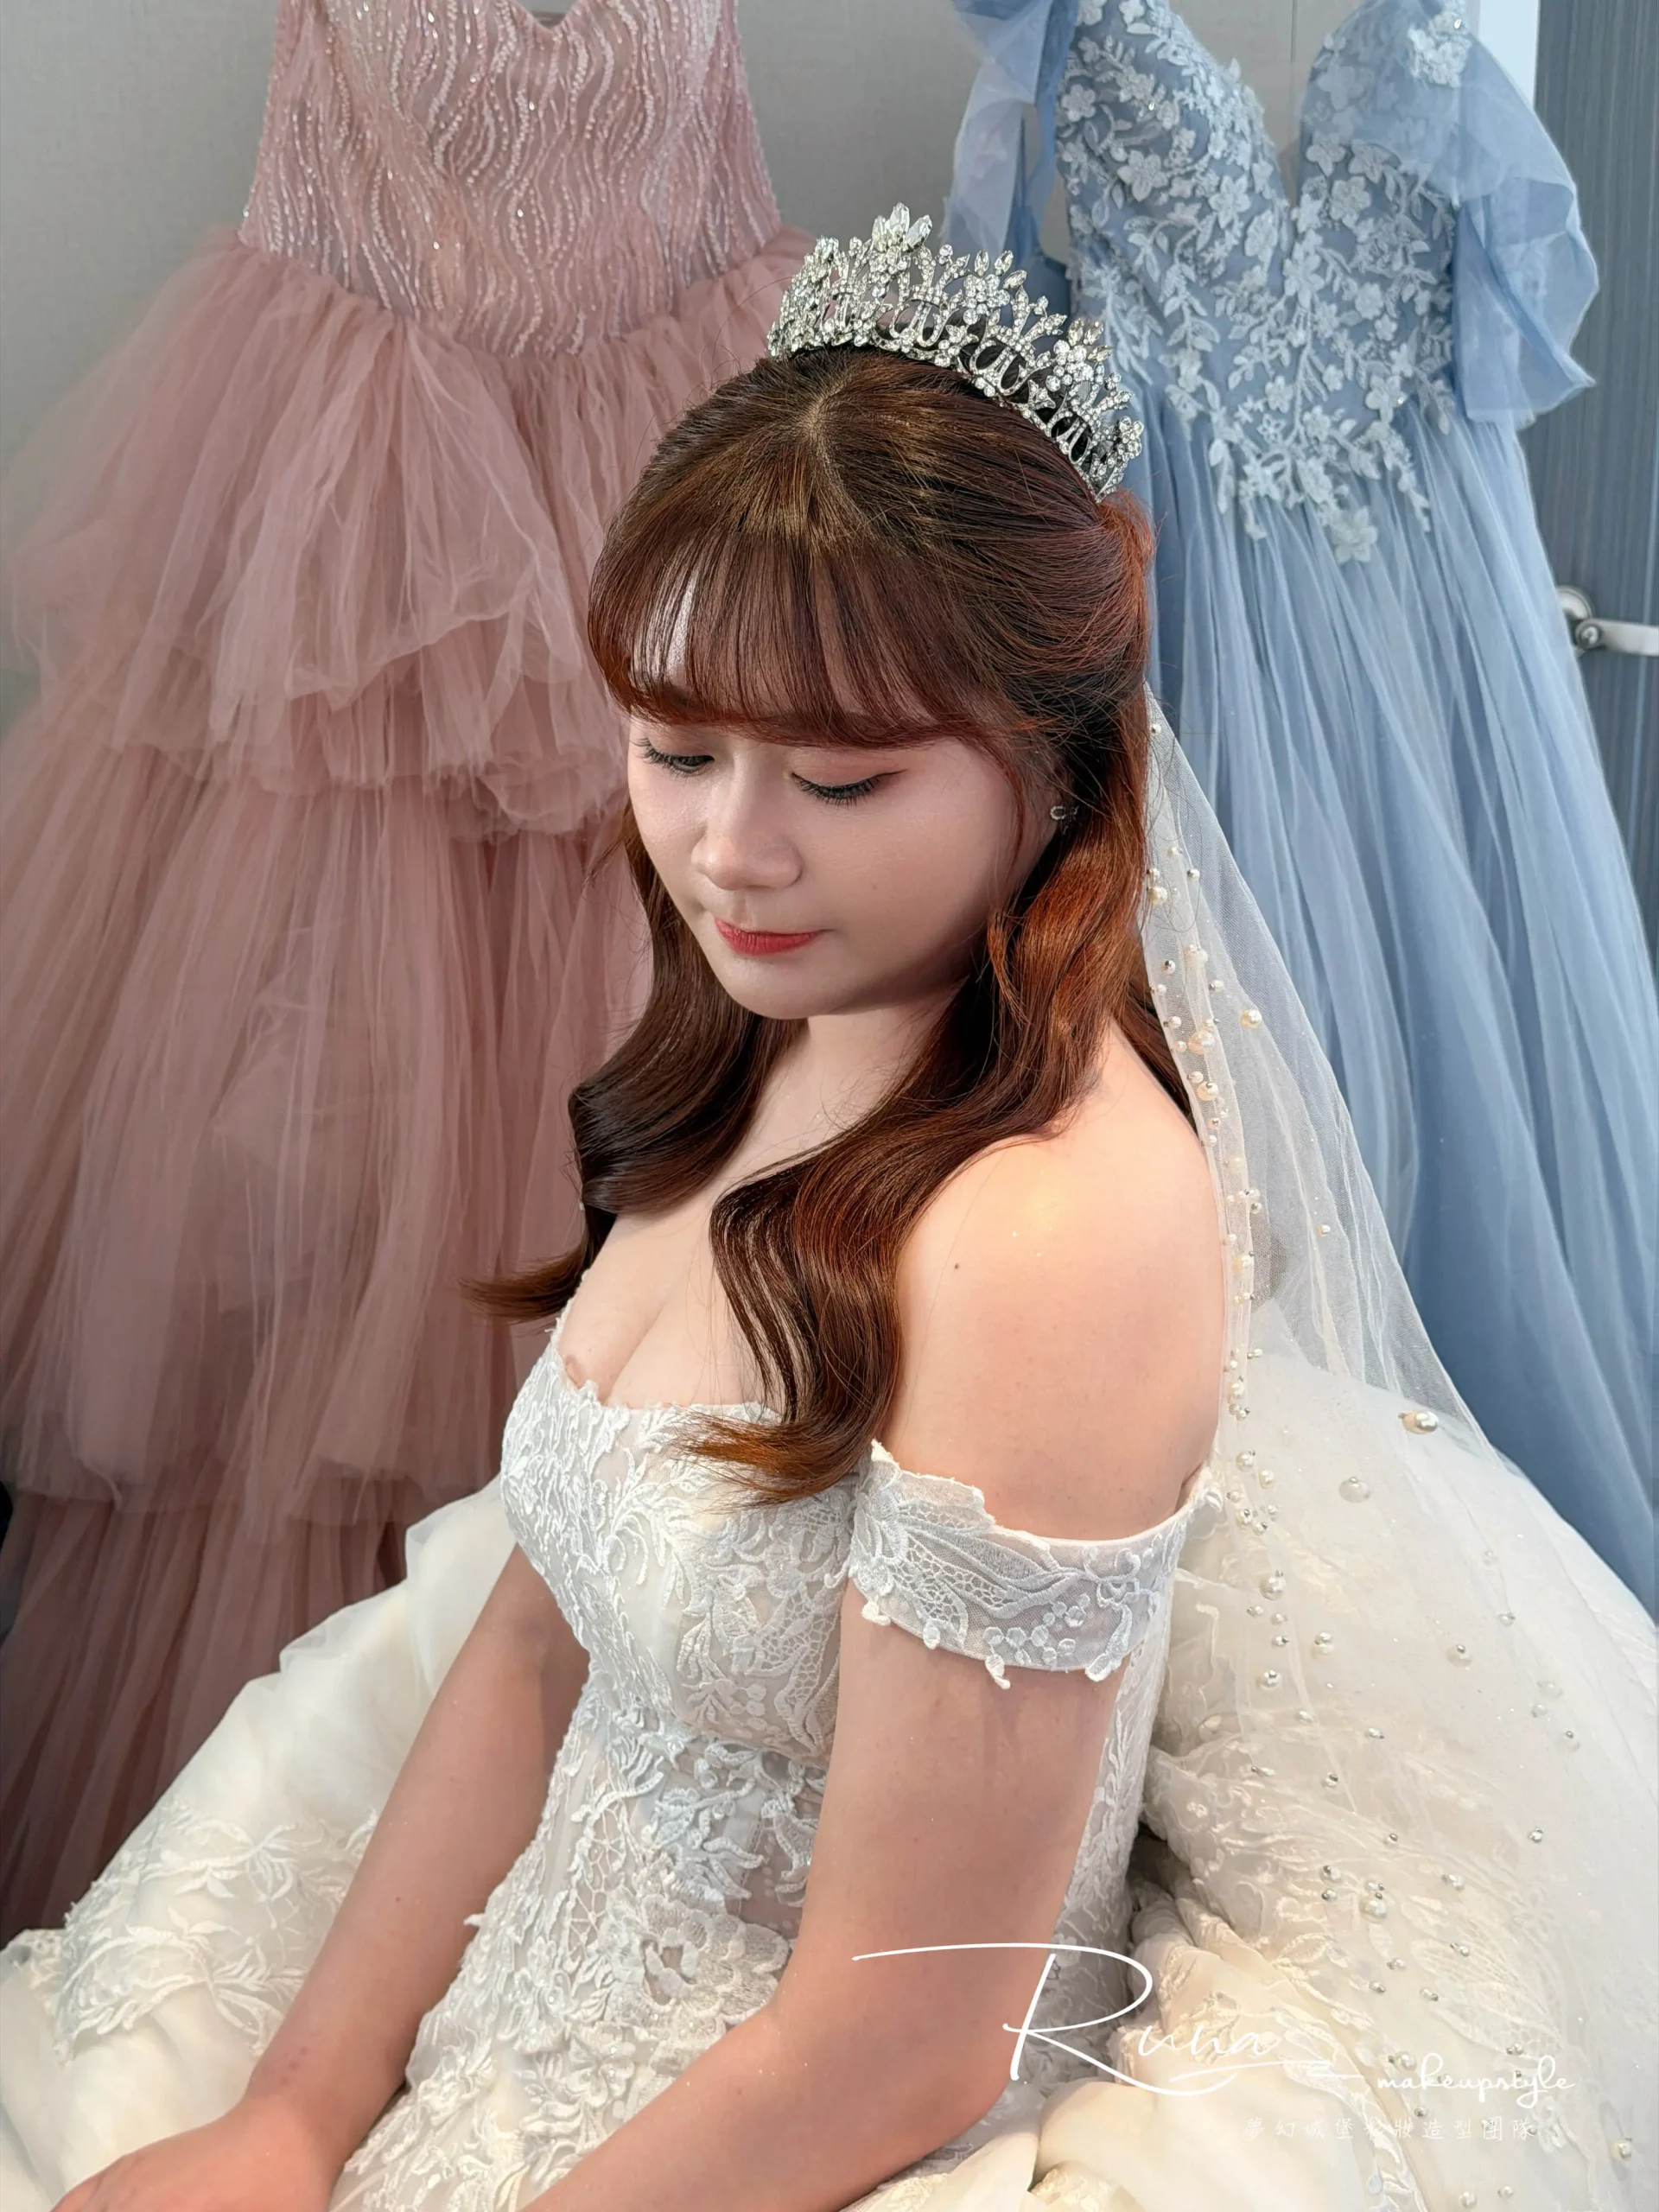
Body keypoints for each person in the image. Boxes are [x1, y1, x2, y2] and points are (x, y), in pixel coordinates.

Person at [3, 210, 1651, 2212]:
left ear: (1052, 762)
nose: (729, 850)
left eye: (843, 781)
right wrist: (290, 2112)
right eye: (675, 747)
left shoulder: (1046, 1231)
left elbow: (902, 2035)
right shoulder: (783, 1019)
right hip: (526, 2024)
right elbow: (536, 1631)